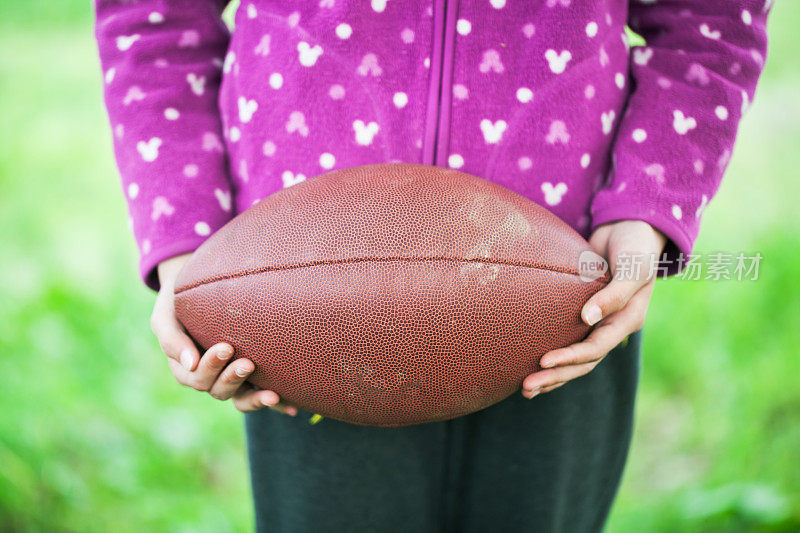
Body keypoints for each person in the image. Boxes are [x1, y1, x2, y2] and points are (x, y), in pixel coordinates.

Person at [94, 1, 770, 531]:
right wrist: (186, 242)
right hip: (307, 306)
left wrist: (649, 205)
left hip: (566, 294)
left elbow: (711, 16)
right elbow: (156, 18)